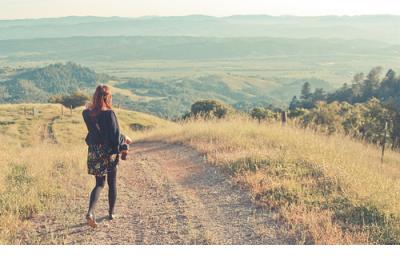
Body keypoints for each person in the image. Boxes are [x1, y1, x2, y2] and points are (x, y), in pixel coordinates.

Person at [82, 84, 132, 228]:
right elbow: (115, 138)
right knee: (112, 183)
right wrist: (125, 140)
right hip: (108, 153)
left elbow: (94, 130)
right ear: (108, 97)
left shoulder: (86, 113)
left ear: (95, 96)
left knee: (99, 184)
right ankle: (111, 213)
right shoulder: (110, 114)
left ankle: (90, 213)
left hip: (94, 151)